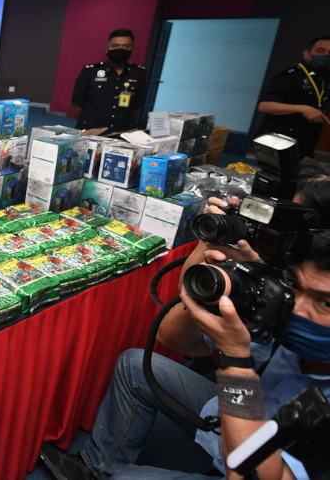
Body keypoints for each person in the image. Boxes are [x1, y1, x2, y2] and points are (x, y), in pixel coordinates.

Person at [40, 189, 330, 479]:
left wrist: (236, 362)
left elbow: (249, 469)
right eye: (293, 286)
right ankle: (97, 465)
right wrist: (211, 261)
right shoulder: (275, 304)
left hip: (250, 466)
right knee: (135, 365)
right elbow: (176, 340)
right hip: (235, 416)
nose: (295, 309)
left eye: (325, 302)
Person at [255, 37, 330, 159]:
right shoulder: (290, 76)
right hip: (278, 142)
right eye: (320, 51)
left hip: (305, 142)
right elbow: (264, 106)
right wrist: (303, 109)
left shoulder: (324, 77)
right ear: (307, 53)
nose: (326, 56)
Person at [71, 29, 147, 134]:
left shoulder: (139, 74)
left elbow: (135, 106)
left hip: (122, 132)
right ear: (107, 49)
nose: (120, 49)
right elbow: (76, 103)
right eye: (115, 46)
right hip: (91, 130)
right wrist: (87, 122)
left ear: (132, 49)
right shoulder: (90, 72)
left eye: (126, 46)